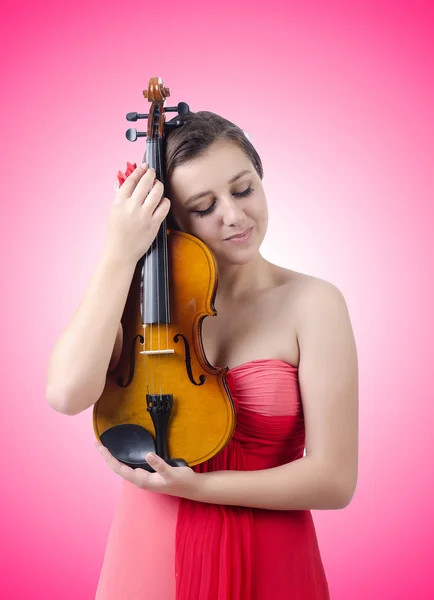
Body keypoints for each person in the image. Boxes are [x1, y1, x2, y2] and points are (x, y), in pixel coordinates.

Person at [46, 111, 359, 599]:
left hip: (273, 557)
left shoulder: (314, 303)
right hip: (150, 554)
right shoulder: (138, 302)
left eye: (242, 189)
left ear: (261, 180)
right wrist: (117, 253)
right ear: (172, 216)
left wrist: (197, 489)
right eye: (203, 205)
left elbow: (334, 480)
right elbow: (66, 394)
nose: (233, 216)